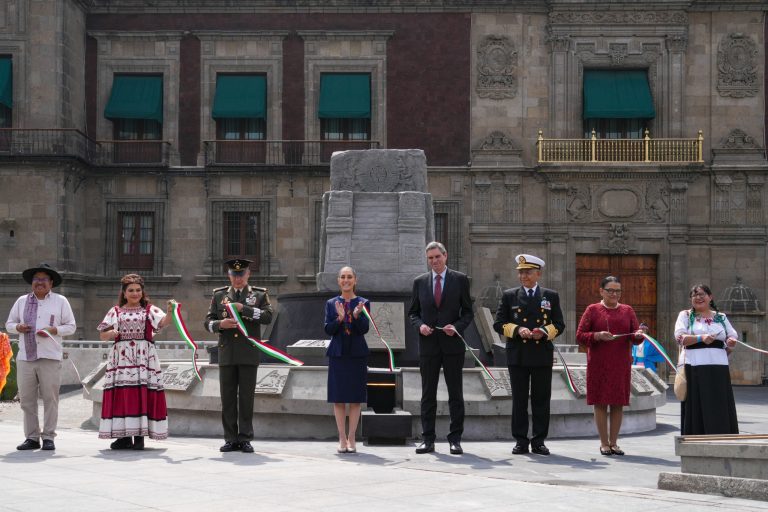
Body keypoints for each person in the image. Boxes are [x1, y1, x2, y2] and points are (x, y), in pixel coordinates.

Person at [494, 254, 564, 456]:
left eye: (528, 272)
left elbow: (559, 324)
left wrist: (543, 332)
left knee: (541, 399)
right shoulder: (510, 295)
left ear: (538, 274)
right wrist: (517, 330)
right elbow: (498, 323)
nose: (523, 276)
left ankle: (539, 440)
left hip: (541, 354)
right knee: (519, 400)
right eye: (521, 272)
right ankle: (521, 440)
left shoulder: (550, 296)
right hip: (518, 355)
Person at [408, 241, 473, 455]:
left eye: (437, 257)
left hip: (453, 346)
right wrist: (421, 326)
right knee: (428, 394)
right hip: (428, 346)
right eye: (430, 258)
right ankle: (428, 440)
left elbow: (468, 313)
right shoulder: (419, 282)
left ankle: (455, 439)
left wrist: (456, 327)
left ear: (445, 256)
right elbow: (413, 313)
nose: (434, 261)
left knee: (456, 394)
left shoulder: (460, 280)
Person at [204, 258, 273, 453]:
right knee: (227, 398)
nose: (238, 278)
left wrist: (246, 309)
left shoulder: (259, 295)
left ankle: (245, 438)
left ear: (248, 274)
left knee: (246, 398)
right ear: (229, 276)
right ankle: (230, 438)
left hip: (248, 353)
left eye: (241, 274)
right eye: (234, 275)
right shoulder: (219, 296)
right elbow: (207, 322)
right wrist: (220, 325)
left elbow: (268, 316)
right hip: (227, 353)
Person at [5, 263, 76, 451]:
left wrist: (54, 330)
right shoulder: (21, 301)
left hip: (50, 357)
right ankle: (32, 437)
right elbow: (9, 323)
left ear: (51, 283)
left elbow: (71, 326)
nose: (40, 282)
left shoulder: (61, 301)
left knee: (50, 399)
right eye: (36, 279)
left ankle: (49, 437)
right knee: (27, 400)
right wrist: (18, 327)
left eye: (44, 279)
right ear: (32, 282)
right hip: (26, 357)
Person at [97, 274, 171, 450]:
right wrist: (111, 334)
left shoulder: (149, 310)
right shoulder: (115, 311)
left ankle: (139, 437)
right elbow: (102, 335)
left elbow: (163, 323)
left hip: (144, 358)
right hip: (121, 358)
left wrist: (171, 311)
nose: (135, 293)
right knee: (124, 395)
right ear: (124, 292)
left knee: (141, 393)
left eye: (138, 290)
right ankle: (123, 437)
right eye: (131, 290)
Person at [575, 276, 645, 456]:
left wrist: (640, 334)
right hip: (599, 362)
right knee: (600, 402)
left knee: (618, 403)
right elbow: (580, 335)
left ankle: (614, 442)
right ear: (601, 291)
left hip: (620, 363)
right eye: (610, 290)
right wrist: (597, 335)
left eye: (617, 291)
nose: (614, 294)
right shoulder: (593, 310)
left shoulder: (627, 310)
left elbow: (635, 338)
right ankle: (603, 443)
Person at [674, 284, 739, 435]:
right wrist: (700, 338)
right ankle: (696, 435)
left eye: (702, 294)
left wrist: (731, 341)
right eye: (695, 295)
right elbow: (680, 337)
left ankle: (723, 434)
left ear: (710, 297)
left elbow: (732, 334)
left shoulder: (720, 317)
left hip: (719, 367)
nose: (698, 297)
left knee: (719, 401)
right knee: (698, 402)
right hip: (695, 366)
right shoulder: (685, 315)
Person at [324, 266, 370, 453]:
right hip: (338, 354)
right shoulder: (331, 303)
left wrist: (357, 316)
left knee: (355, 399)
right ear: (338, 280)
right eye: (343, 277)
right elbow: (328, 329)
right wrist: (340, 319)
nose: (346, 280)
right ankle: (341, 437)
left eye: (349, 277)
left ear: (355, 280)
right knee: (339, 398)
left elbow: (364, 329)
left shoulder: (363, 302)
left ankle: (352, 437)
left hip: (357, 354)